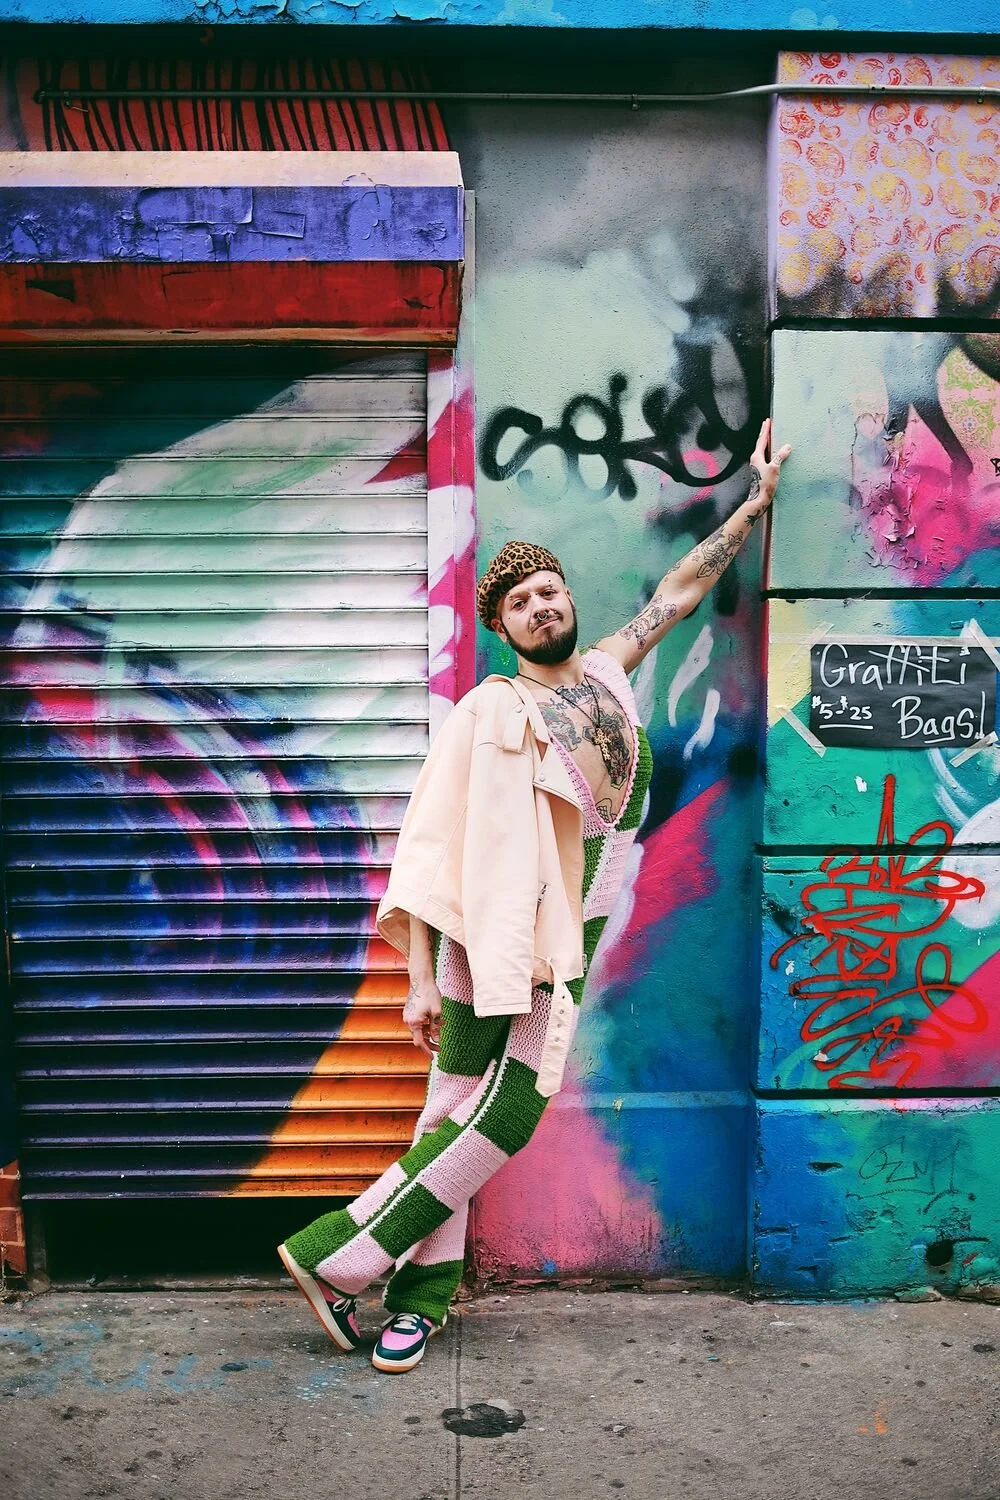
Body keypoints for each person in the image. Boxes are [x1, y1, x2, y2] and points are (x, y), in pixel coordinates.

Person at [278, 417, 791, 1373]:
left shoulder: (607, 675)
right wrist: (420, 979)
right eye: (519, 602)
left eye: (548, 590)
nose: (540, 606)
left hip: (567, 938)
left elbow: (677, 593)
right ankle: (335, 1255)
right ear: (501, 627)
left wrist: (753, 507)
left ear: (569, 598)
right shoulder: (490, 709)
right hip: (493, 941)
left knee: (453, 1119)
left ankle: (414, 1303)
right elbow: (429, 846)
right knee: (506, 1112)